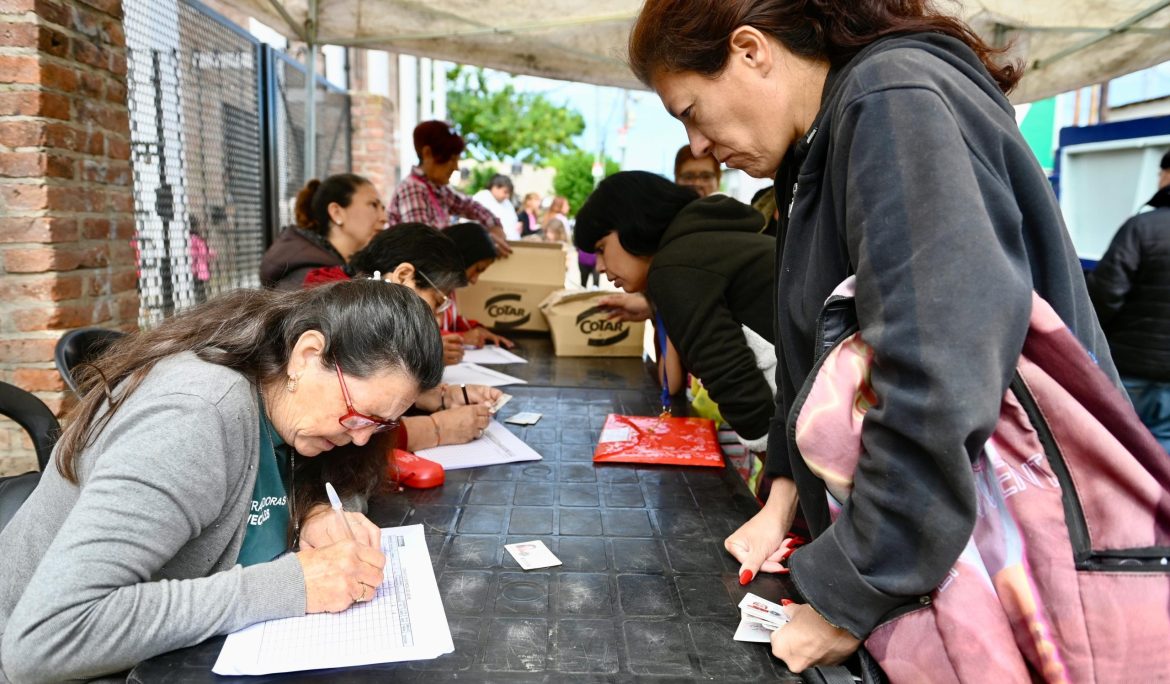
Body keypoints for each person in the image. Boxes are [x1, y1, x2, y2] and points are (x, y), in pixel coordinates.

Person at [629, 0, 1118, 673]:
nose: (697, 146)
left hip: (1011, 557)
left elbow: (934, 369)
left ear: (750, 50)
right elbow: (812, 367)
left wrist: (850, 592)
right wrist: (780, 502)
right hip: (948, 558)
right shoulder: (815, 153)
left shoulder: (891, 99)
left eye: (689, 111)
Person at [0, 280, 443, 681]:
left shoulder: (288, 410)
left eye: (381, 425)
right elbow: (46, 640)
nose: (361, 437)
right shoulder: (194, 418)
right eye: (358, 415)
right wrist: (291, 586)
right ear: (307, 356)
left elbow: (290, 479)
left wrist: (314, 511)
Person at [575, 171, 775, 454]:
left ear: (633, 223)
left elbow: (734, 382)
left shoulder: (674, 269)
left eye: (601, 248)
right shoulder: (698, 247)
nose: (599, 267)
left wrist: (782, 475)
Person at [303, 223, 501, 454]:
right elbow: (343, 431)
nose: (436, 320)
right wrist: (435, 429)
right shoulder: (333, 319)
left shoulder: (348, 303)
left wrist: (436, 396)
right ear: (404, 276)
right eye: (437, 303)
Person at [1087, 149, 1170, 453]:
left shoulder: (1143, 228)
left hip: (1131, 365)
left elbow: (1106, 294)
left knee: (1119, 445)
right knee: (1164, 444)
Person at [385, 121, 511, 256]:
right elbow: (423, 245)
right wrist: (483, 240)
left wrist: (494, 225)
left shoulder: (438, 190)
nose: (456, 167)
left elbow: (470, 206)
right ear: (427, 153)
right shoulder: (412, 189)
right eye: (451, 159)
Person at [260, 174, 386, 290]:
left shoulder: (342, 268)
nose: (384, 218)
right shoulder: (312, 282)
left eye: (383, 208)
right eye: (373, 205)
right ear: (337, 213)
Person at [443, 222, 515, 349]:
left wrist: (478, 330)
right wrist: (462, 337)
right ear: (461, 259)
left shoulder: (448, 290)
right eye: (477, 269)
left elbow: (451, 321)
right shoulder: (425, 289)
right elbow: (416, 336)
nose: (474, 280)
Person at [472, 174, 520, 240]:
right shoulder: (482, 197)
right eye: (505, 192)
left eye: (509, 193)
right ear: (495, 187)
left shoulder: (507, 202)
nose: (507, 196)